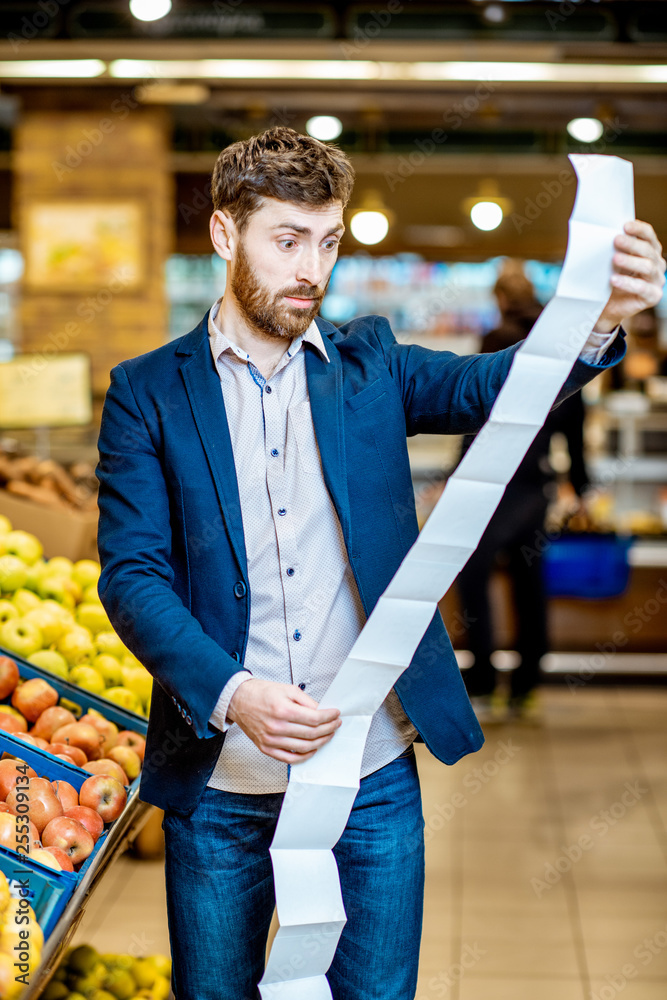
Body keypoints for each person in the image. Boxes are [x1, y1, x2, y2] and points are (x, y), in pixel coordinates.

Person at [95, 127, 665, 1000]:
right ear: (223, 234)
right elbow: (132, 575)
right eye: (287, 240)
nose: (310, 270)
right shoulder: (149, 391)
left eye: (327, 243)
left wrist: (594, 317)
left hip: (368, 776)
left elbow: (494, 386)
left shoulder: (370, 368)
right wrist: (234, 691)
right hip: (221, 780)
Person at [456, 261, 590, 720]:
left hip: (495, 485)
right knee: (529, 583)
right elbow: (575, 422)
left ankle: (485, 682)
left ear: (499, 299)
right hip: (538, 485)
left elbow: (473, 413)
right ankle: (527, 687)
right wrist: (582, 485)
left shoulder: (497, 344)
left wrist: (460, 477)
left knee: (475, 579)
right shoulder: (561, 348)